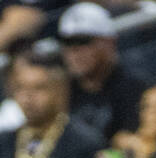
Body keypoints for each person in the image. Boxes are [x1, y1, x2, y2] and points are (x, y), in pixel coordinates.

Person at [59, 2, 149, 142]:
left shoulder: (135, 91)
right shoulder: (61, 91)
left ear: (109, 42)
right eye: (67, 42)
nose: (74, 51)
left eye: (83, 41)